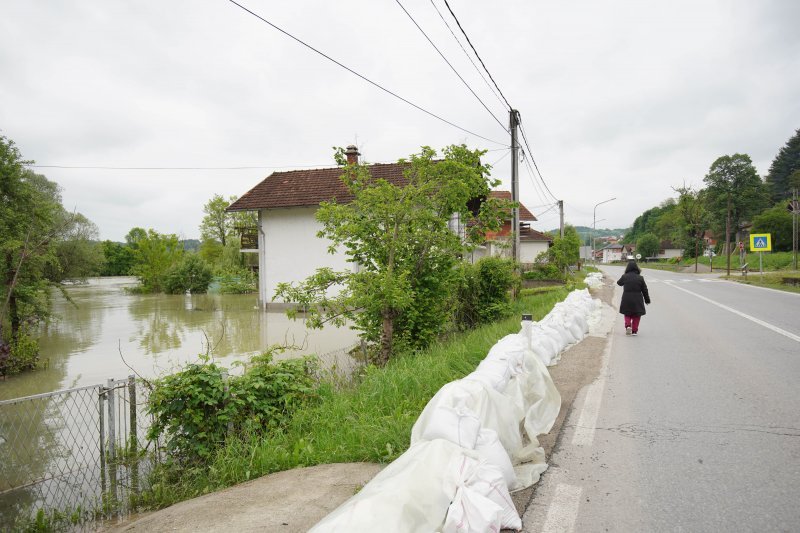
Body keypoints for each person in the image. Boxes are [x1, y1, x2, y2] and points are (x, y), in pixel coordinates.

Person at [617, 259, 650, 336]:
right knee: (636, 315)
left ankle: (628, 326)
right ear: (637, 268)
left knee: (627, 313)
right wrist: (647, 300)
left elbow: (619, 283)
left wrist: (624, 277)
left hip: (626, 298)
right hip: (637, 298)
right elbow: (645, 290)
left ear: (627, 268)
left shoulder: (625, 276)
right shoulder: (640, 278)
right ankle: (634, 331)